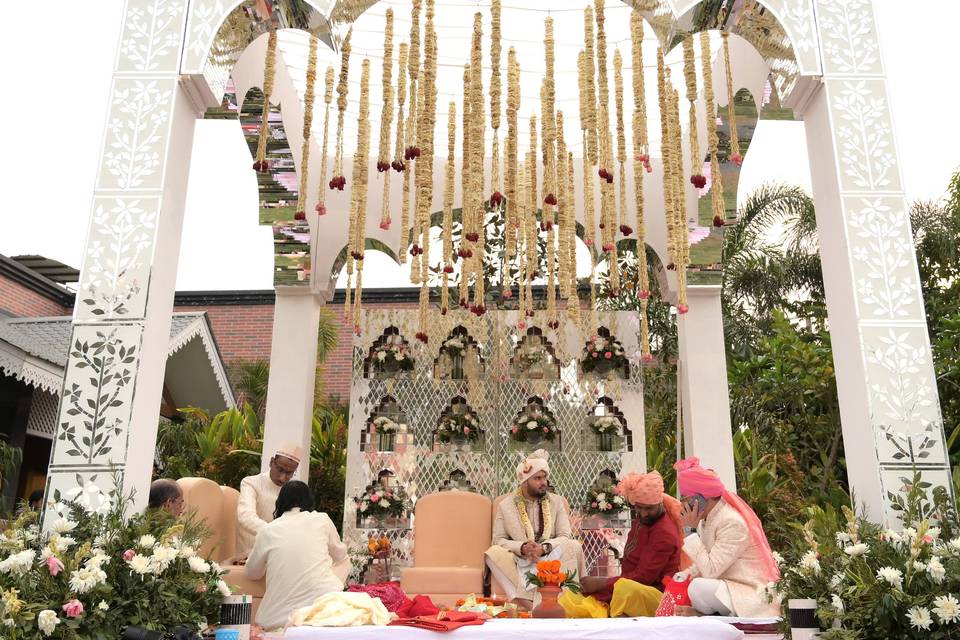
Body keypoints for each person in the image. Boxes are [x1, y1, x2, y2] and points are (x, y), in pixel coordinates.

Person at [562, 471, 683, 618]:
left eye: (648, 509)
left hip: (659, 597)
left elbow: (643, 578)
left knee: (623, 587)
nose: (643, 513)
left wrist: (601, 583)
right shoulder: (644, 520)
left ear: (659, 503)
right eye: (639, 507)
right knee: (572, 597)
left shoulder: (664, 533)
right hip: (632, 587)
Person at [673, 457, 780, 618]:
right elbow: (704, 562)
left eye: (685, 499)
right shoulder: (709, 519)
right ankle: (709, 615)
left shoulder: (731, 522)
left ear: (699, 499)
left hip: (750, 594)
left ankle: (707, 615)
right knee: (688, 582)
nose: (682, 505)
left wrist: (690, 532)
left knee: (698, 587)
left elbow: (710, 571)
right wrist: (682, 577)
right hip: (729, 587)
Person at [484, 450, 586, 609]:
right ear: (524, 481)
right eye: (537, 478)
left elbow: (565, 535)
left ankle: (566, 602)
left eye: (544, 477)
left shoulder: (556, 502)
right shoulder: (506, 505)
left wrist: (544, 548)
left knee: (573, 545)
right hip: (522, 557)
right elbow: (498, 540)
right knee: (492, 553)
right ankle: (525, 602)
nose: (543, 482)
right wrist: (522, 547)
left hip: (552, 553)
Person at [245, 480, 348, 631]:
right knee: (344, 561)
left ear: (279, 502)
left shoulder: (268, 530)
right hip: (326, 609)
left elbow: (252, 573)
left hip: (278, 618)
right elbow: (341, 555)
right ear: (309, 500)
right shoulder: (322, 519)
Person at [236, 442, 303, 557]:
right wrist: (275, 533)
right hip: (249, 556)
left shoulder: (293, 491)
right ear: (272, 462)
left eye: (289, 473)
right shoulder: (251, 483)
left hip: (280, 556)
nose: (283, 478)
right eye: (280, 469)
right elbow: (245, 516)